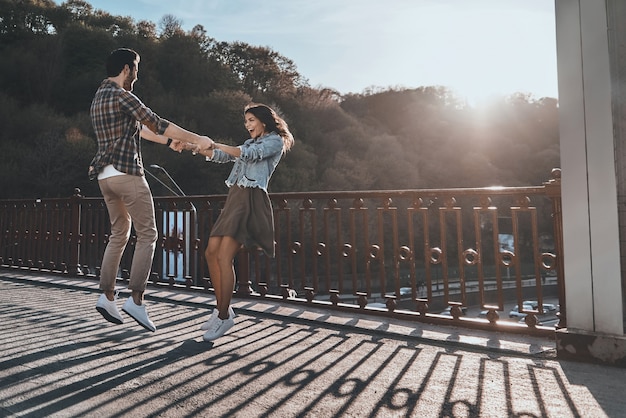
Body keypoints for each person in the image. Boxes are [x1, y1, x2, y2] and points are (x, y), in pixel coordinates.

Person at [90, 47, 214, 332]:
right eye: (135, 68)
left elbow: (140, 130)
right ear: (125, 69)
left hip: (105, 177)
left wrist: (170, 144)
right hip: (127, 173)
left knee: (119, 234)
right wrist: (199, 139)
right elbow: (157, 123)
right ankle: (136, 298)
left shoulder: (99, 98)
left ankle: (106, 296)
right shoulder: (123, 95)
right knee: (149, 234)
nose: (137, 73)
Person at [193, 103, 294, 341]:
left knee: (223, 256)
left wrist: (215, 143)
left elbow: (247, 154)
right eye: (246, 121)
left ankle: (224, 316)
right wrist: (195, 148)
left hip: (250, 198)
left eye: (251, 120)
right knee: (210, 252)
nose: (247, 125)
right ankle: (223, 310)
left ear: (263, 121)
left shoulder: (275, 141)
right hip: (235, 197)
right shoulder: (248, 143)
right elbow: (221, 156)